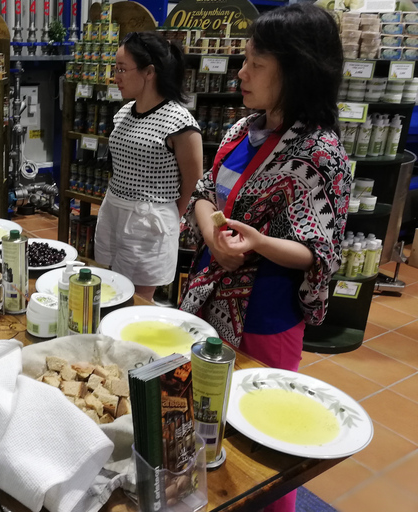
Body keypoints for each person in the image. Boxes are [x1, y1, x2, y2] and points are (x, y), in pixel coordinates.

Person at [179, 4, 350, 511]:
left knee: (262, 441)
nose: (242, 73)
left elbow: (318, 251)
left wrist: (256, 243)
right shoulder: (241, 130)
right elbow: (205, 191)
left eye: (256, 63)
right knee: (203, 417)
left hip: (265, 315)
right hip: (210, 296)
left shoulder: (321, 153)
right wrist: (213, 235)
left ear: (295, 69)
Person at [94, 31, 203, 302]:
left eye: (121, 69)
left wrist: (170, 218)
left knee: (136, 301)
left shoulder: (180, 122)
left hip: (148, 222)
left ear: (149, 72)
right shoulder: (123, 113)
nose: (115, 76)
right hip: (115, 210)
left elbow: (193, 182)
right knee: (112, 290)